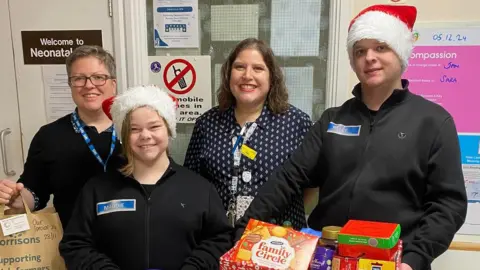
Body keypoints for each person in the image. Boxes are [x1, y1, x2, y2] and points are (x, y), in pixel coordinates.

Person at [233, 5, 468, 270]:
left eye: (380, 47)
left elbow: (448, 205)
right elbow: (289, 179)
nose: (369, 57)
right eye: (360, 51)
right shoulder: (333, 120)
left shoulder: (433, 121)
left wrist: (414, 259)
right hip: (328, 260)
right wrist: (244, 230)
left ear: (400, 53)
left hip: (395, 263)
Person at [59, 85, 232, 270]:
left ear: (168, 129)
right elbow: (75, 244)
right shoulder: (98, 189)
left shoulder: (199, 189)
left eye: (154, 126)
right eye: (134, 129)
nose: (145, 136)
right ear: (124, 136)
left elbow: (219, 240)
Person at [183, 38, 315, 229]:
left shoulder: (297, 123)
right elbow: (192, 183)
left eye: (258, 68)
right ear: (229, 74)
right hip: (219, 238)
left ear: (272, 78)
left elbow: (311, 186)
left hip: (278, 241)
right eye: (239, 67)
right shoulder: (206, 123)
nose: (247, 75)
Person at [0, 45, 121, 227]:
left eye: (98, 77)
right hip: (74, 244)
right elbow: (35, 192)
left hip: (131, 243)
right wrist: (19, 200)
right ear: (70, 85)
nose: (89, 85)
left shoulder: (136, 130)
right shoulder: (49, 136)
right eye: (79, 78)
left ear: (113, 84)